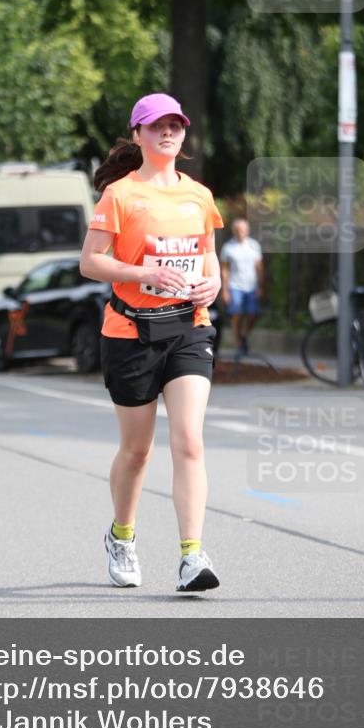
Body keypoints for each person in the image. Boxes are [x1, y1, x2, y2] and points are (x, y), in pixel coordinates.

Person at [80, 93, 223, 593]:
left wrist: (214, 284)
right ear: (138, 134)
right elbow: (91, 262)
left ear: (184, 135)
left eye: (176, 125)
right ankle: (121, 536)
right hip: (130, 332)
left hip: (189, 327)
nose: (168, 132)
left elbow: (208, 256)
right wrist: (144, 272)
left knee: (189, 441)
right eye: (157, 125)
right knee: (138, 452)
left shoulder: (200, 195)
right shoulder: (119, 195)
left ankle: (192, 556)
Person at [219, 218, 263, 355]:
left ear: (247, 231)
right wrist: (225, 290)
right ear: (233, 231)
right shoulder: (228, 247)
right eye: (237, 230)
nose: (240, 232)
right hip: (235, 286)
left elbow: (259, 267)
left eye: (242, 230)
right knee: (237, 313)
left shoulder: (254, 245)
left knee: (253, 313)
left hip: (251, 286)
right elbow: (225, 270)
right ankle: (239, 345)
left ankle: (243, 334)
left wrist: (260, 286)